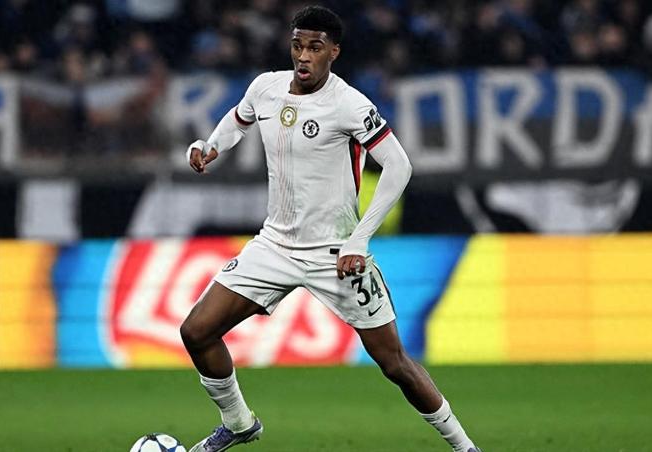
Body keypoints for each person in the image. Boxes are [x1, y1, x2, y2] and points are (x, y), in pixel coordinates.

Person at [180, 6, 481, 452]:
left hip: (336, 254)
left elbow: (399, 166)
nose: (304, 56)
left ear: (333, 52)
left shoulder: (350, 105)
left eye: (315, 48)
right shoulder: (265, 88)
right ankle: (239, 423)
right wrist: (210, 146)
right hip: (274, 245)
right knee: (196, 331)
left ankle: (465, 447)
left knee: (394, 362)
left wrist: (359, 240)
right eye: (298, 45)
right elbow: (239, 119)